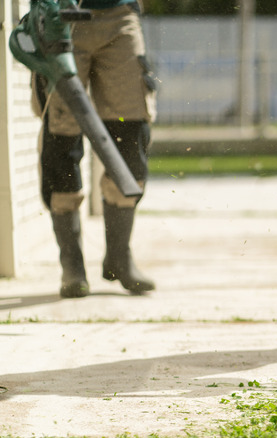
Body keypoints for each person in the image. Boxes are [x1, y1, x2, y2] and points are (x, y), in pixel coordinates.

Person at [32, 0, 157, 298]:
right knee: (61, 137)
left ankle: (119, 257)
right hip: (61, 16)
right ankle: (72, 266)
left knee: (131, 130)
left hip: (119, 15)